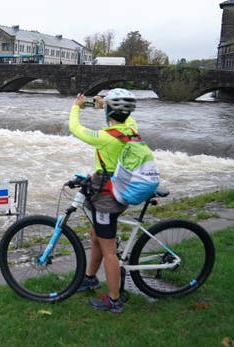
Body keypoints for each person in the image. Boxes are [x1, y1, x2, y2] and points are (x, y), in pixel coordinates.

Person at [68, 88, 138, 314]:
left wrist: (76, 107)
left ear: (110, 111)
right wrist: (104, 107)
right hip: (117, 190)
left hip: (107, 197)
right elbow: (122, 119)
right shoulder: (131, 128)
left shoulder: (106, 138)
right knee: (95, 235)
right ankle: (90, 278)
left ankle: (114, 300)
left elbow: (75, 129)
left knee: (109, 250)